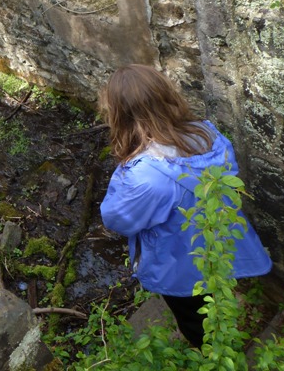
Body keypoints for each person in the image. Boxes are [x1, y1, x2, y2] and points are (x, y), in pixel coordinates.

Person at [98, 64, 272, 348]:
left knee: (192, 314)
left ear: (121, 117)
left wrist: (124, 170)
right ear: (168, 97)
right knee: (214, 292)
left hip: (178, 263)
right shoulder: (209, 136)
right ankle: (220, 326)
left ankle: (210, 349)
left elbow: (117, 219)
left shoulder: (145, 178)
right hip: (215, 245)